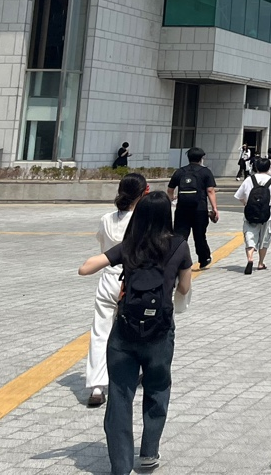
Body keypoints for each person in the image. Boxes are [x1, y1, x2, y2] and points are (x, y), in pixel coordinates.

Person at [78, 191, 193, 475]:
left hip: (125, 331)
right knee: (158, 388)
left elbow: (85, 269)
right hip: (160, 331)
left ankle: (120, 466)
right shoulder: (179, 245)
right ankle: (149, 453)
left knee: (120, 394)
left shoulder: (129, 245)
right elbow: (184, 287)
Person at [85, 172, 148, 408]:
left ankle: (97, 387)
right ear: (142, 194)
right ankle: (136, 372)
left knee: (100, 331)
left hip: (108, 278)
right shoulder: (143, 220)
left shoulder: (106, 219)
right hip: (133, 282)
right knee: (137, 330)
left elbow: (103, 247)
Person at [168, 147, 218, 270]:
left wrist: (172, 200)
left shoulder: (180, 171)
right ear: (201, 158)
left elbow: (170, 190)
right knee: (199, 235)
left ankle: (176, 259)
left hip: (182, 209)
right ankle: (204, 259)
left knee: (180, 235)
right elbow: (210, 191)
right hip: (200, 209)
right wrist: (214, 208)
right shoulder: (205, 172)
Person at [235, 156, 271, 275]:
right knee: (265, 239)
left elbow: (239, 196)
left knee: (250, 235)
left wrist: (246, 203)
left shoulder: (249, 179)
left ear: (256, 167)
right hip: (267, 214)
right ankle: (261, 263)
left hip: (250, 212)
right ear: (268, 168)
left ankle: (250, 258)